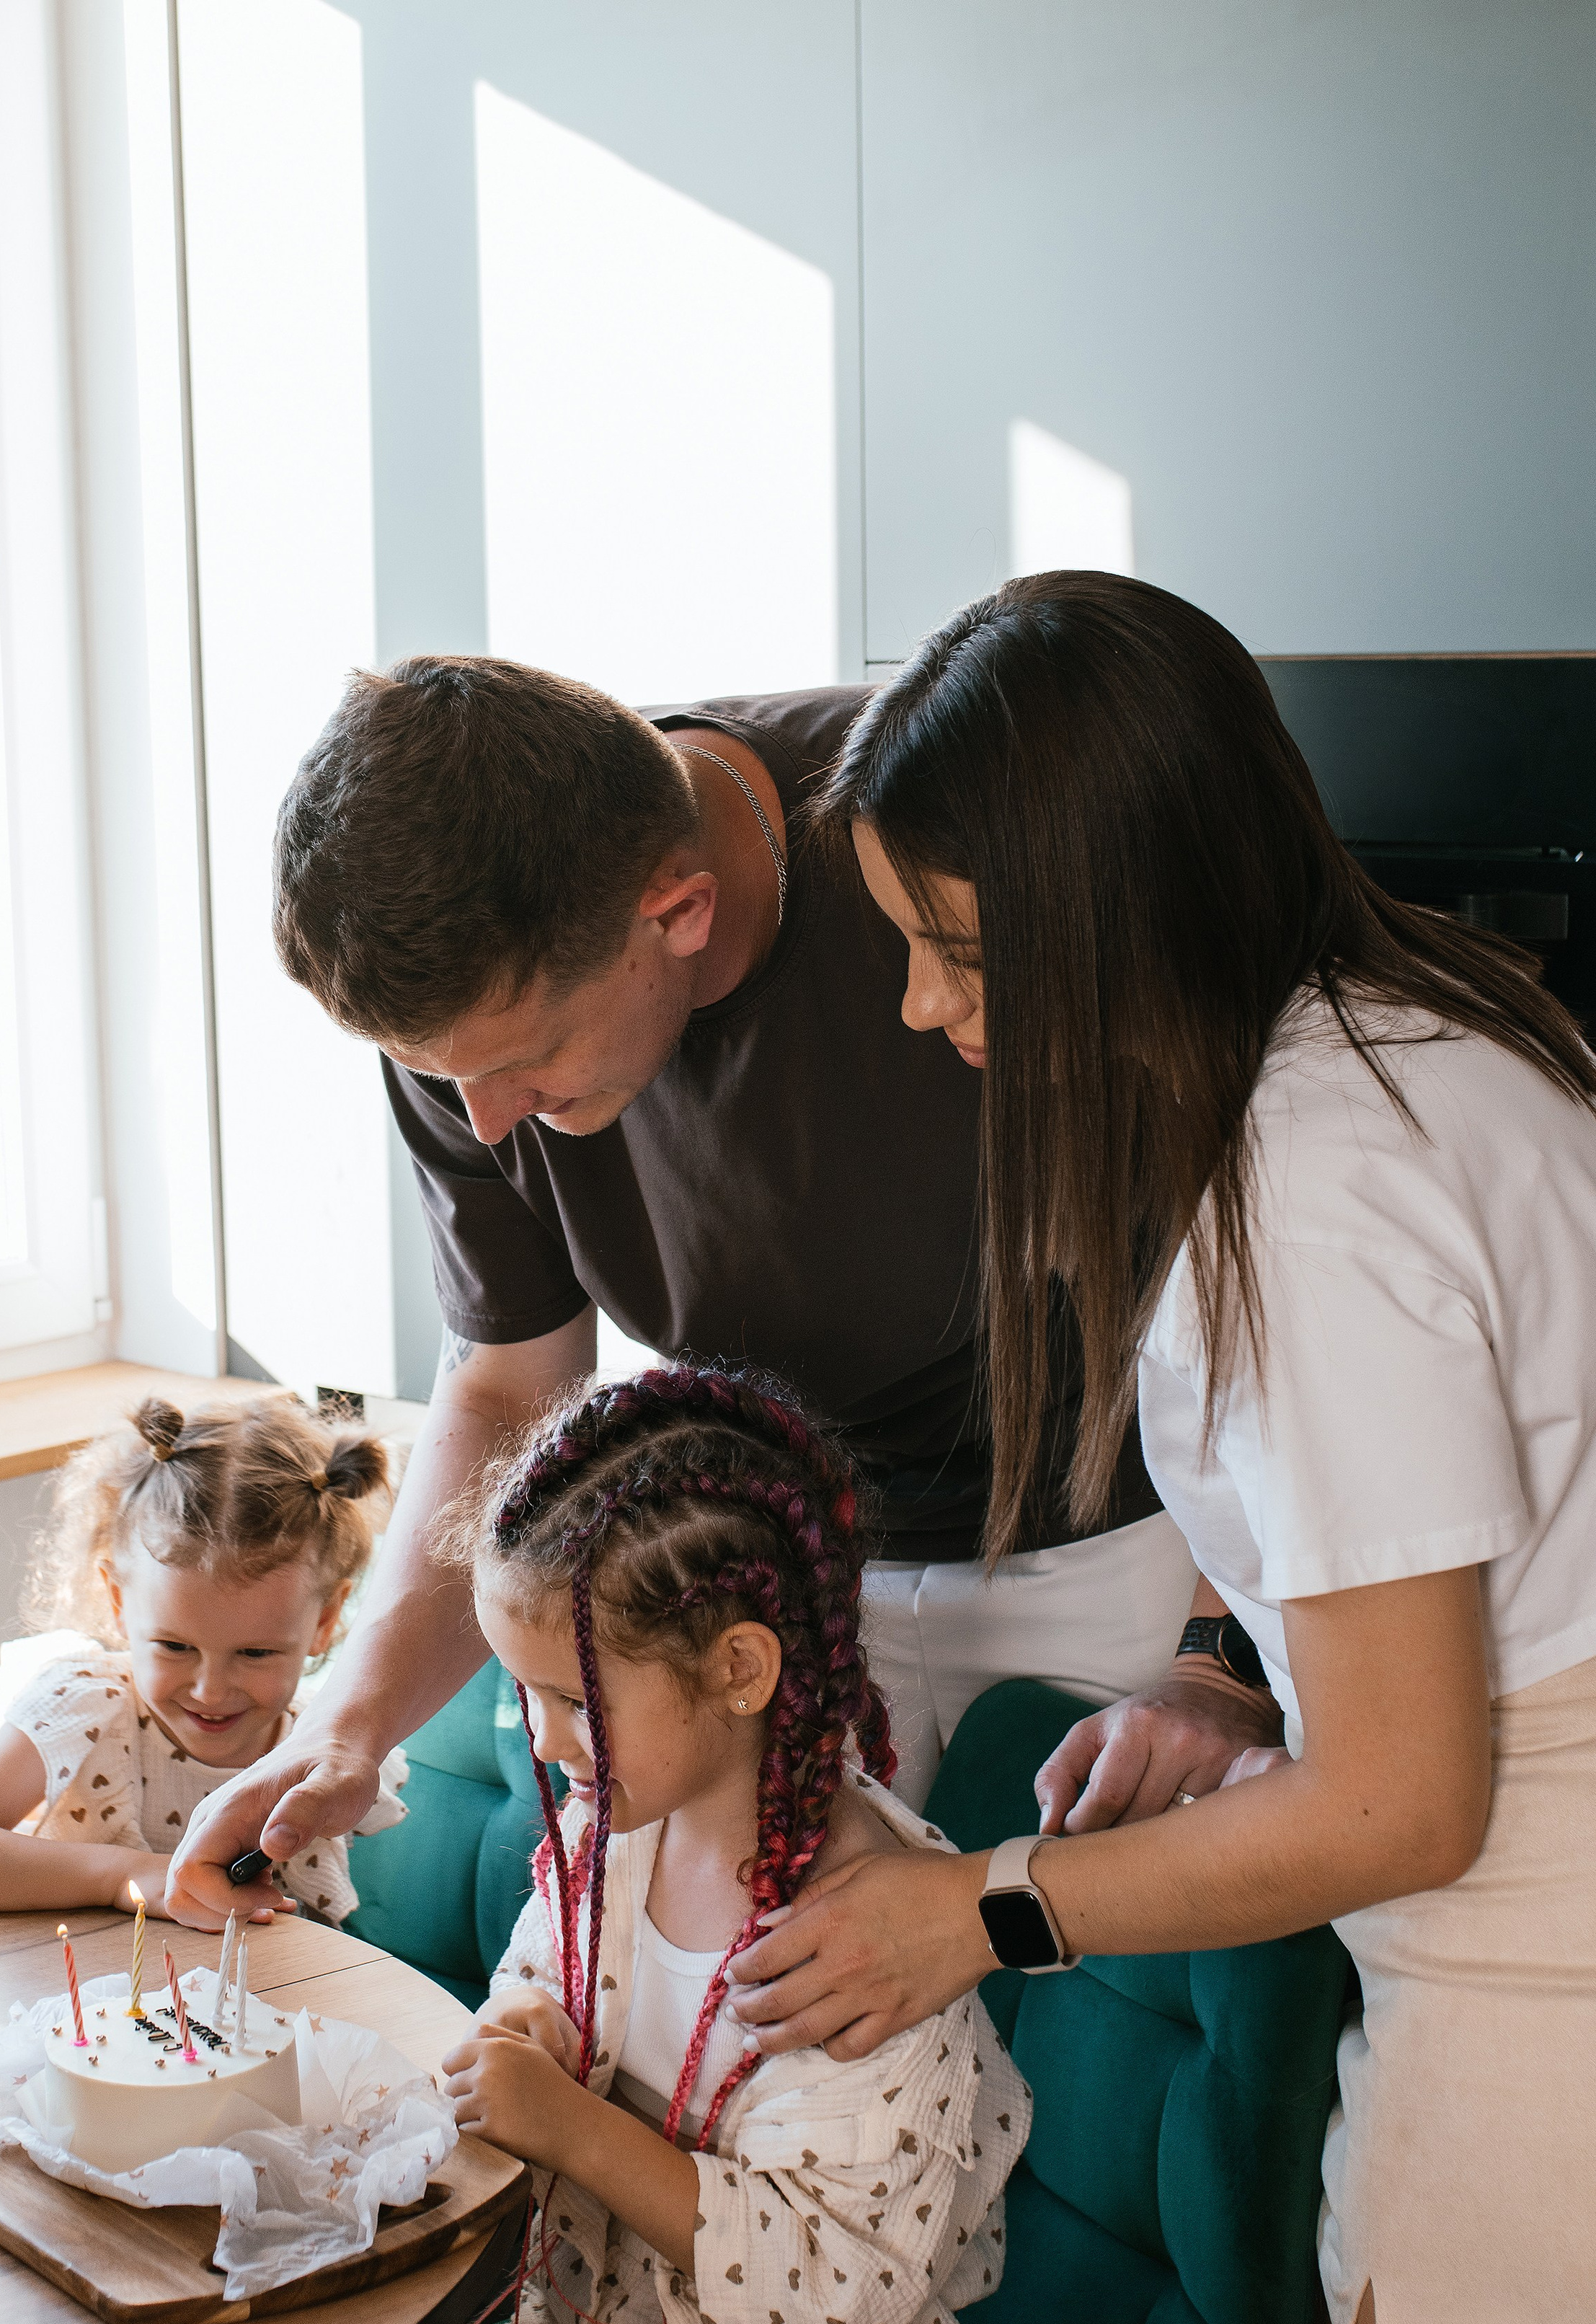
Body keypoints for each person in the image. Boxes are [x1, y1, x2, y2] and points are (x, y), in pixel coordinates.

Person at [724, 573, 1596, 2324]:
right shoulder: (1409, 1034)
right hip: (1501, 1928)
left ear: (1127, 903)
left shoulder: (1310, 1183)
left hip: (1534, 1968)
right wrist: (1223, 1671)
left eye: (962, 951)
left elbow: (1405, 1794)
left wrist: (980, 1904)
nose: (921, 1009)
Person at [167, 656, 1209, 1928]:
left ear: (683, 911)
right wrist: (348, 1727)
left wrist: (1224, 1659)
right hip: (787, 1574)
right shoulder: (466, 1027)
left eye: (521, 1063)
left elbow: (1247, 1262)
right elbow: (505, 1389)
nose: (491, 1125)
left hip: (1116, 1534)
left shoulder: (943, 845)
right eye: (444, 1082)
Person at [270, 1365, 1032, 2324]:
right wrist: (523, 2037)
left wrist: (559, 2122)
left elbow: (823, 2288)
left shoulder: (865, 1938)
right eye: (525, 1698)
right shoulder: (611, 1822)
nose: (543, 1745)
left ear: (740, 1669)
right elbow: (533, 1997)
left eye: (569, 1700)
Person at [0, 1394, 396, 1922]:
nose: (211, 1690)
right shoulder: (86, 1712)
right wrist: (122, 1875)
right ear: (118, 1603)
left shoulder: (316, 1745)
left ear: (324, 1621)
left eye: (255, 1652)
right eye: (176, 1647)